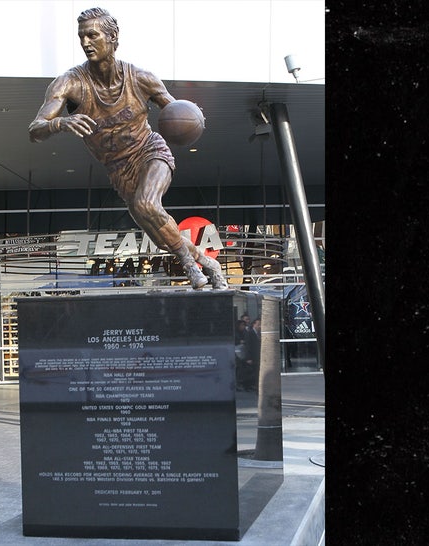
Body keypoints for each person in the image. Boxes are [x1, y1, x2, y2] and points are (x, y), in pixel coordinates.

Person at [29, 7, 227, 290]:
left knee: (147, 204)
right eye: (81, 36)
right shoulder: (70, 83)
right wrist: (60, 122)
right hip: (119, 170)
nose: (85, 43)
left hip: (149, 151)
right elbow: (35, 129)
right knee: (161, 236)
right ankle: (209, 264)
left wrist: (194, 118)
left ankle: (188, 264)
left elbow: (175, 112)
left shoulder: (141, 78)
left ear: (112, 38)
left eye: (92, 35)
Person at [243, 316, 262, 391]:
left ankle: (257, 387)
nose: (260, 326)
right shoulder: (250, 333)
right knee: (254, 373)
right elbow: (248, 346)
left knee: (257, 373)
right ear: (254, 324)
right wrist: (248, 358)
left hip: (258, 357)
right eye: (258, 324)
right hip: (252, 357)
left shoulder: (260, 333)